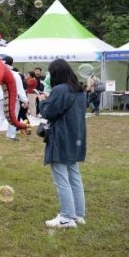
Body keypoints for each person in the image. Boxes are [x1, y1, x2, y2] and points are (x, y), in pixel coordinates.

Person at [38, 59, 87, 229]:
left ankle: (67, 217)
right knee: (74, 176)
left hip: (61, 138)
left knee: (61, 178)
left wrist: (43, 100)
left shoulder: (59, 90)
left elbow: (49, 112)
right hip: (76, 138)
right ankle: (78, 214)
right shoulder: (79, 89)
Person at [1, 56, 28, 141]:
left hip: (0, 98)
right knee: (13, 116)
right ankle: (11, 135)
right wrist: (25, 100)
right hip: (13, 98)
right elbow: (20, 88)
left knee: (0, 116)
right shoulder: (15, 74)